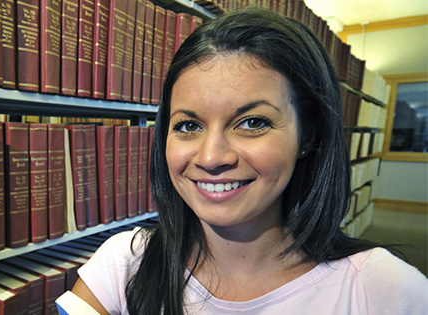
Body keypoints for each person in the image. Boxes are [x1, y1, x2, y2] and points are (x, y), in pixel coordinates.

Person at [66, 7, 428, 315]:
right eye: (188, 125)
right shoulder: (124, 265)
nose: (211, 158)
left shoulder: (384, 291)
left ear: (309, 136)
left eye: (253, 123)